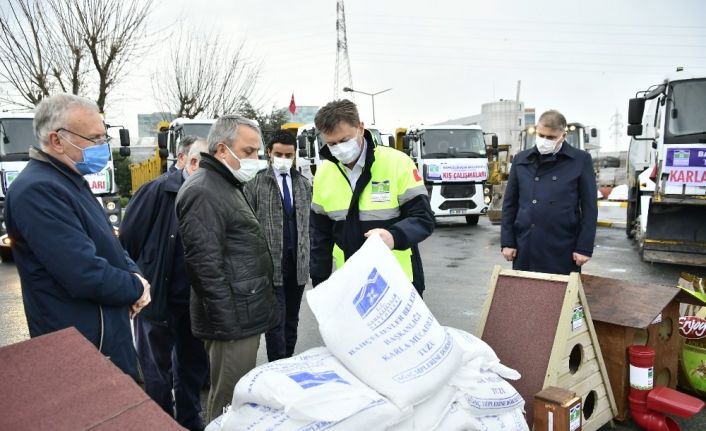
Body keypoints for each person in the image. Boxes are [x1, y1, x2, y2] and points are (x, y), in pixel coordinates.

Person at [3, 93, 150, 378]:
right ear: (57, 140)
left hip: (105, 336)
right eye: (95, 139)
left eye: (104, 138)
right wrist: (136, 289)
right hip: (80, 349)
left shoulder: (70, 181)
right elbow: (84, 273)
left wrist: (136, 276)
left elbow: (111, 245)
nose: (103, 146)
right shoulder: (37, 190)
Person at [175, 114, 279, 422]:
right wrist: (228, 325)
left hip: (240, 314)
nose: (256, 159)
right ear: (222, 150)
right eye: (249, 152)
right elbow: (205, 267)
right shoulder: (204, 190)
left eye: (258, 152)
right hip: (230, 322)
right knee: (227, 402)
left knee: (237, 396)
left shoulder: (224, 183)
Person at [120, 139, 210, 431]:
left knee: (191, 368)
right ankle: (159, 423)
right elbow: (128, 241)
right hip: (158, 300)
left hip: (194, 303)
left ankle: (189, 421)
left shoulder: (209, 194)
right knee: (156, 372)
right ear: (186, 161)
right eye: (200, 161)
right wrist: (143, 279)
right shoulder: (156, 191)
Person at [310, 99, 434, 295]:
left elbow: (423, 218)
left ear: (360, 128)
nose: (339, 148)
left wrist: (394, 236)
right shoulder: (324, 174)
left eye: (344, 140)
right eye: (331, 144)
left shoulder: (397, 163)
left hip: (399, 282)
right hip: (351, 285)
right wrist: (320, 284)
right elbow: (320, 236)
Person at [500, 109, 598, 275]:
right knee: (525, 295)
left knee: (560, 298)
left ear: (563, 135)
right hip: (526, 244)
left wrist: (584, 247)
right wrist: (508, 242)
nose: (544, 141)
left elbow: (589, 208)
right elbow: (510, 204)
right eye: (541, 135)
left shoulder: (580, 160)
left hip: (563, 245)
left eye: (551, 137)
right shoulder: (521, 160)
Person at [244, 130, 311, 361]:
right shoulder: (256, 184)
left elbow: (308, 224)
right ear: (270, 153)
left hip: (298, 265)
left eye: (289, 154)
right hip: (271, 266)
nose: (284, 158)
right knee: (276, 321)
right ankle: (277, 366)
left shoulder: (303, 184)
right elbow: (247, 224)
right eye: (279, 153)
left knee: (292, 319)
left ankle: (288, 361)